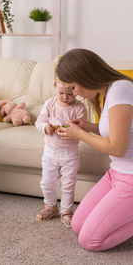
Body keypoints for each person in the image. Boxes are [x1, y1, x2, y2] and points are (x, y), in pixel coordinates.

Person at [55, 48, 133, 251]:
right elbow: (121, 133)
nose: (76, 94)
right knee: (77, 225)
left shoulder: (121, 91)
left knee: (90, 241)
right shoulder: (111, 90)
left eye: (74, 87)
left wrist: (80, 135)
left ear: (86, 76)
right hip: (116, 175)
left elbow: (117, 148)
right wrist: (88, 126)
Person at [35, 71, 87, 227]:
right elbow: (39, 122)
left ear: (76, 90)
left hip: (69, 154)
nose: (65, 97)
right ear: (55, 87)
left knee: (68, 184)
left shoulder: (79, 107)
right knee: (46, 183)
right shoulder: (50, 104)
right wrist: (46, 127)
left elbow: (82, 130)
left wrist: (72, 130)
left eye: (70, 94)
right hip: (50, 152)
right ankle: (50, 206)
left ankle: (66, 210)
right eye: (61, 93)